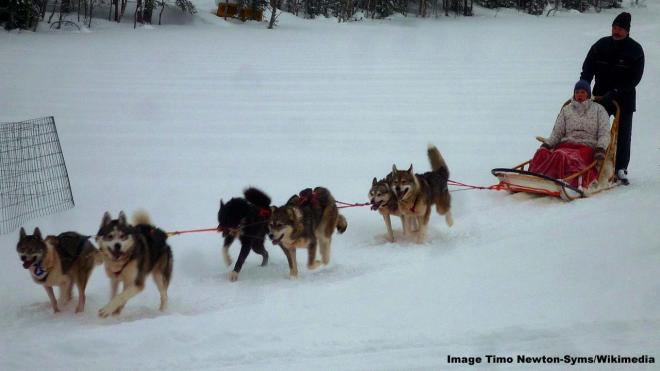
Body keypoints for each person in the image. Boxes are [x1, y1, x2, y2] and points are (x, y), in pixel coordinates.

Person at [580, 12, 645, 185]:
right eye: (614, 28)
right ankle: (589, 162)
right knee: (594, 130)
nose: (616, 31)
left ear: (627, 31)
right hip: (600, 96)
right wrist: (584, 87)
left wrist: (616, 91)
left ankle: (620, 168)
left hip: (623, 98)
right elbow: (587, 69)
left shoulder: (635, 50)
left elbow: (635, 78)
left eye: (620, 29)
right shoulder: (601, 45)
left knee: (623, 134)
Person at [529, 80, 610, 188]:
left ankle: (554, 179)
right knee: (542, 153)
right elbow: (557, 132)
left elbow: (604, 133)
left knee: (560, 155)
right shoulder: (567, 110)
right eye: (577, 92)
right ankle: (533, 177)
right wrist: (547, 144)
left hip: (587, 147)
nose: (579, 95)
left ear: (588, 94)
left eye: (582, 92)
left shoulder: (599, 110)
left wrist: (601, 148)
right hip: (566, 145)